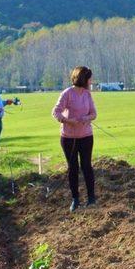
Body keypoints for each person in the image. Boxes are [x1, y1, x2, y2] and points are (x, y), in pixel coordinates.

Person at [52, 66, 97, 212]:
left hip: (86, 136)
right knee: (73, 168)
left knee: (87, 167)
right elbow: (56, 112)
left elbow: (94, 114)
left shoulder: (87, 94)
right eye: (90, 78)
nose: (91, 81)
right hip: (69, 138)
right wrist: (67, 121)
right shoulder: (67, 93)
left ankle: (91, 198)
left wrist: (86, 118)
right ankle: (75, 199)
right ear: (84, 79)